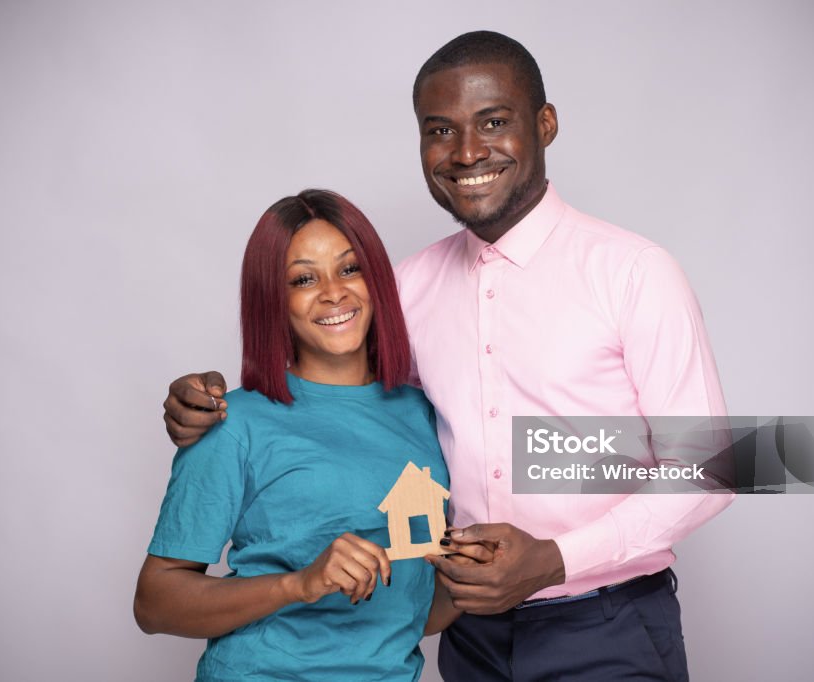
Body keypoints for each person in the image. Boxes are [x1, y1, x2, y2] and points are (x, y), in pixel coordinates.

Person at [163, 32, 732, 681]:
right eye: (440, 130)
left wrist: (555, 558)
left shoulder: (634, 272)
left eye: (493, 122)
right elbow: (330, 409)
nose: (466, 152)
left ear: (545, 124)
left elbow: (710, 468)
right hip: (467, 632)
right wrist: (201, 404)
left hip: (606, 623)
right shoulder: (402, 289)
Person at [135, 189, 469, 681]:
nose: (333, 292)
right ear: (274, 298)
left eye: (350, 269)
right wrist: (301, 584)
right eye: (304, 278)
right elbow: (154, 603)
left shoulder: (426, 413)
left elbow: (414, 607)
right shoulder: (233, 423)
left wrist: (478, 574)